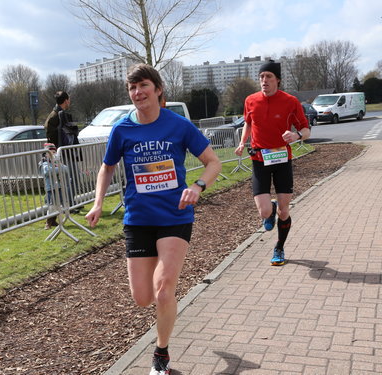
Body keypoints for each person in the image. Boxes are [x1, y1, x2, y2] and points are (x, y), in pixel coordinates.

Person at [85, 63, 221, 375]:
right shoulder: (122, 129)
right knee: (143, 298)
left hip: (175, 216)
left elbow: (213, 163)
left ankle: (161, 353)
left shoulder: (179, 125)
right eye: (132, 88)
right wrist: (97, 203)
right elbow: (107, 168)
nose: (137, 92)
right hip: (138, 220)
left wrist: (197, 186)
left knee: (163, 289)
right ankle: (162, 314)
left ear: (157, 89)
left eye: (143, 85)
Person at [235, 60, 310, 266]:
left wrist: (295, 136)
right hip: (259, 159)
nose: (264, 80)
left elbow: (306, 130)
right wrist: (242, 142)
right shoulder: (251, 100)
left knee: (284, 211)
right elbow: (248, 123)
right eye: (261, 77)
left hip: (282, 160)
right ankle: (270, 208)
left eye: (268, 76)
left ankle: (279, 248)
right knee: (265, 212)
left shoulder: (290, 101)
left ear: (277, 79)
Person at [44, 91, 80, 209]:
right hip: (63, 153)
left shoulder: (56, 114)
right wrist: (56, 152)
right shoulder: (56, 116)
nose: (69, 101)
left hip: (63, 152)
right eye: (69, 99)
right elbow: (51, 136)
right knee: (69, 178)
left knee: (70, 178)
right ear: (66, 100)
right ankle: (69, 204)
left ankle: (71, 203)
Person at [39, 142, 69, 229]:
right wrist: (58, 169)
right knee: (52, 205)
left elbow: (66, 169)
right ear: (46, 154)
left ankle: (53, 221)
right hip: (50, 188)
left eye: (54, 152)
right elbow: (48, 172)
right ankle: (48, 222)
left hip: (59, 186)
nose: (53, 154)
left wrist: (57, 167)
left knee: (58, 204)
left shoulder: (57, 162)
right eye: (50, 152)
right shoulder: (44, 163)